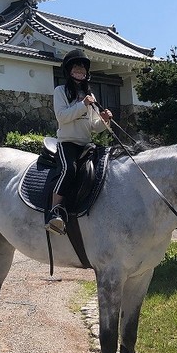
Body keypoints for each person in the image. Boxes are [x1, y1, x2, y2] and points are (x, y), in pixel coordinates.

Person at [45, 49, 113, 234]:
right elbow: (62, 117)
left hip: (86, 144)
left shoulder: (90, 97)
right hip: (67, 143)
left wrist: (105, 120)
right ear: (69, 71)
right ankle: (54, 211)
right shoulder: (60, 91)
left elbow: (93, 126)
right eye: (76, 67)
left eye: (82, 67)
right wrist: (82, 105)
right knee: (69, 170)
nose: (79, 70)